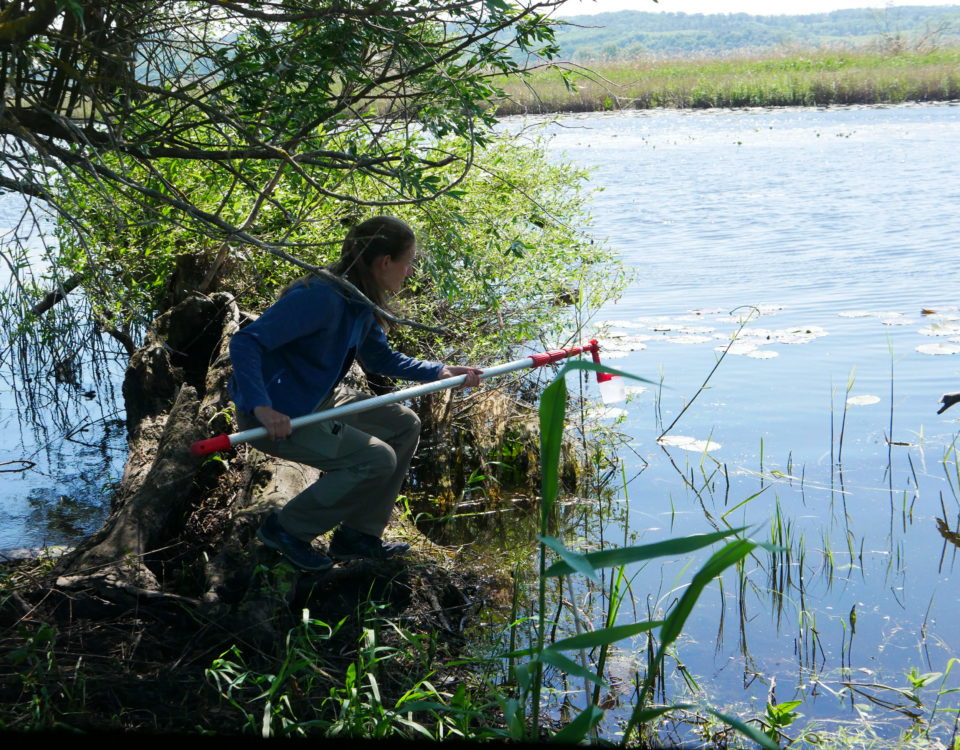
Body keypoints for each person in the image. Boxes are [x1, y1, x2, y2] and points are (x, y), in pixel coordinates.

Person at [228, 216, 481, 571]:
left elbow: (378, 357)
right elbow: (246, 341)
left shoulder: (358, 298)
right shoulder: (321, 297)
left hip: (319, 398)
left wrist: (439, 371)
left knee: (404, 424)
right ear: (384, 262)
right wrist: (262, 406)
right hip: (278, 414)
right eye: (407, 263)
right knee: (376, 459)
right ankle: (286, 530)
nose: (409, 273)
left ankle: (358, 535)